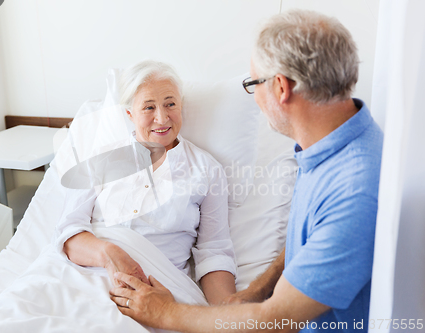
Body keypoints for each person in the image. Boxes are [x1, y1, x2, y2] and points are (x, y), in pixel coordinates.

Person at [110, 10, 383, 333]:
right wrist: (259, 288)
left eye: (254, 83)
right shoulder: (330, 142)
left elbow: (275, 320)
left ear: (280, 88)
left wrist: (164, 312)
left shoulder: (353, 189)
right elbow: (313, 236)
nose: (254, 97)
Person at [57, 59, 237, 305]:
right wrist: (110, 254)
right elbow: (69, 233)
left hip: (158, 292)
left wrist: (227, 319)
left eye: (170, 104)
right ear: (130, 114)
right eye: (149, 107)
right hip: (83, 280)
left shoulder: (206, 170)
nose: (162, 118)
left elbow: (214, 253)